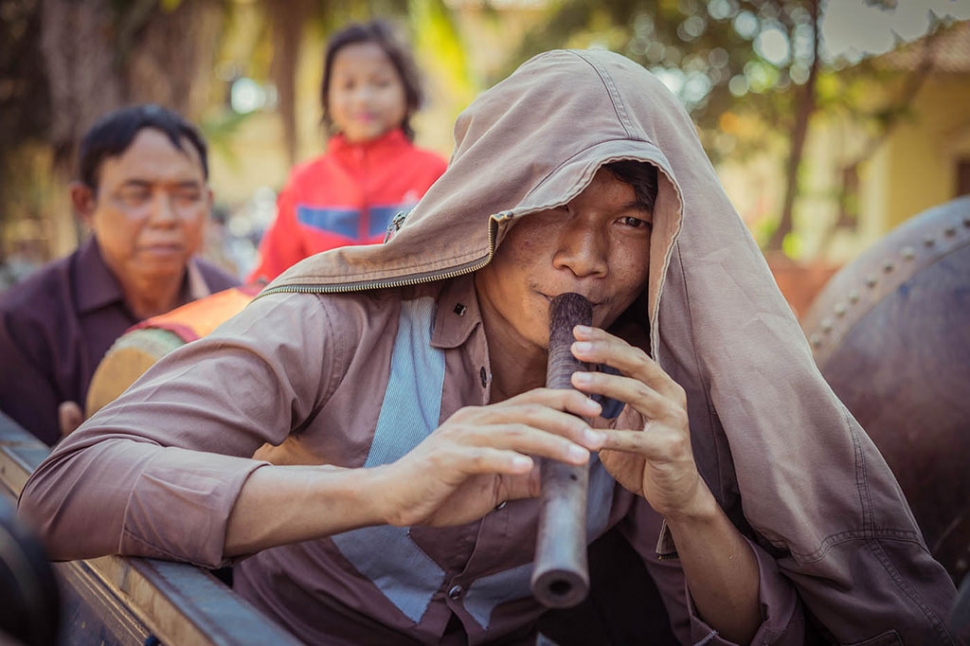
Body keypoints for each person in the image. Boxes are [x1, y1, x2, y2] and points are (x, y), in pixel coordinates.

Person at [18, 50, 959, 645]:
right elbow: (64, 491)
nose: (588, 260)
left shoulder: (643, 382)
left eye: (631, 220)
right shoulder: (341, 321)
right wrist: (385, 491)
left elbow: (751, 630)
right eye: (556, 208)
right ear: (491, 206)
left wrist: (695, 510)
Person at [0, 105, 239, 446]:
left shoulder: (236, 306)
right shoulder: (22, 324)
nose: (165, 218)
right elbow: (25, 479)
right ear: (85, 204)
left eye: (186, 195)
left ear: (208, 201)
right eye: (137, 194)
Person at [247, 19, 448, 284]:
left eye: (381, 83)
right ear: (327, 97)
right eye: (348, 85)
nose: (363, 97)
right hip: (318, 322)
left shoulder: (436, 172)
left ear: (408, 92)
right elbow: (269, 277)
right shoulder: (304, 181)